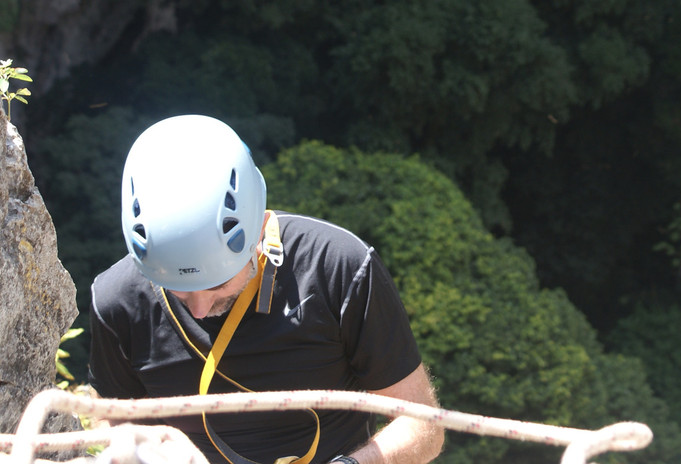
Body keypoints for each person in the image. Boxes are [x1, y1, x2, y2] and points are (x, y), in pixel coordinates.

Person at [88, 115, 445, 464]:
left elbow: (422, 425)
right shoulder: (119, 300)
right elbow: (113, 423)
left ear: (258, 230)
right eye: (176, 289)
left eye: (217, 283)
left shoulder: (336, 268)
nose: (198, 309)